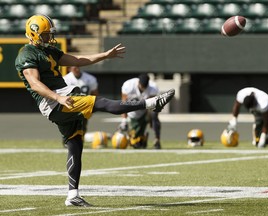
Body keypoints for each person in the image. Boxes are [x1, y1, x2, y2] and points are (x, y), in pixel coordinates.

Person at [15, 14, 175, 207]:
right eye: (46, 34)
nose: (50, 37)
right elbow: (34, 83)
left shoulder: (49, 50)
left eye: (50, 34)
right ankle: (151, 103)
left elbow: (78, 59)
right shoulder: (26, 54)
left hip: (61, 99)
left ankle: (72, 195)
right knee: (102, 103)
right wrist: (58, 98)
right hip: (56, 102)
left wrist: (104, 56)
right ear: (34, 34)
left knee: (75, 144)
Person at [119, 73, 162, 149]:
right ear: (138, 83)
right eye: (142, 86)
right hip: (132, 113)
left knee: (154, 114)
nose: (143, 89)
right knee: (136, 142)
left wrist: (151, 120)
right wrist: (124, 120)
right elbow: (123, 104)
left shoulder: (153, 88)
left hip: (144, 112)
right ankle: (137, 136)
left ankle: (157, 140)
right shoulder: (129, 85)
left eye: (145, 87)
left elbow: (153, 107)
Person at [62, 66, 99, 147]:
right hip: (71, 106)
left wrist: (93, 107)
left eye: (78, 67)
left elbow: (95, 93)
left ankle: (79, 142)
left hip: (84, 106)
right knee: (68, 125)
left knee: (82, 126)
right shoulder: (65, 79)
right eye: (75, 68)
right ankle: (67, 141)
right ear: (69, 69)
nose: (77, 70)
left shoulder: (90, 78)